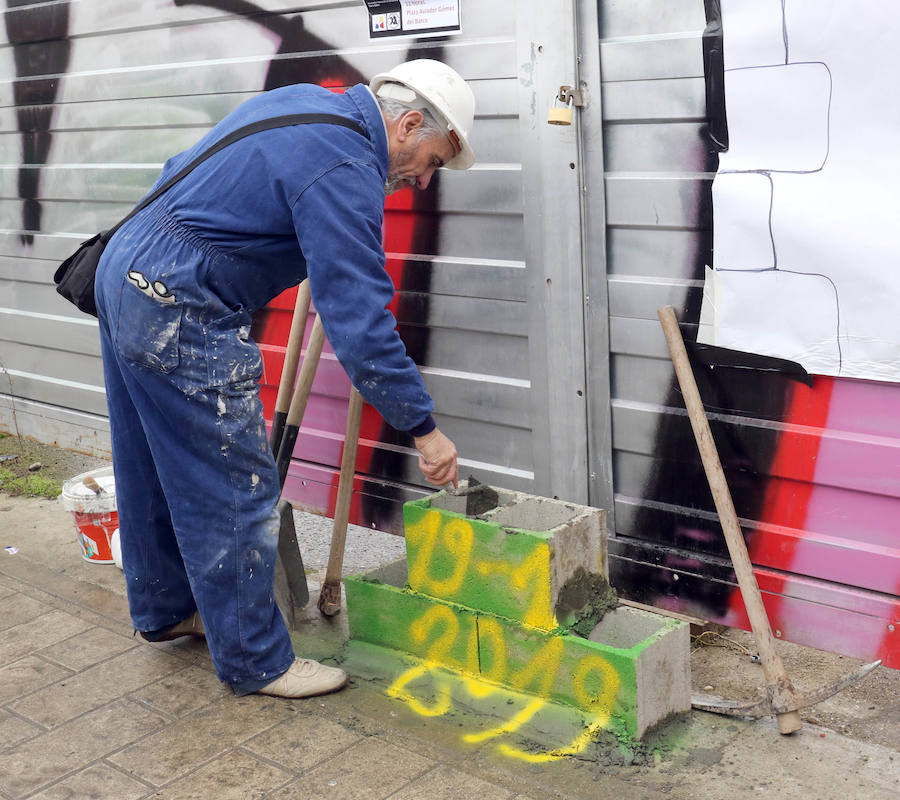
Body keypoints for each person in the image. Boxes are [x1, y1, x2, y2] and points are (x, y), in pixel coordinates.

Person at [93, 60, 475, 698]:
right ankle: (256, 661)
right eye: (431, 160)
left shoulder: (308, 103)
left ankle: (164, 611)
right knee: (234, 481)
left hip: (128, 268)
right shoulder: (346, 164)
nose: (422, 180)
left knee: (150, 462)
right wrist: (423, 428)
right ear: (408, 125)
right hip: (179, 301)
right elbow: (358, 318)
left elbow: (185, 171)